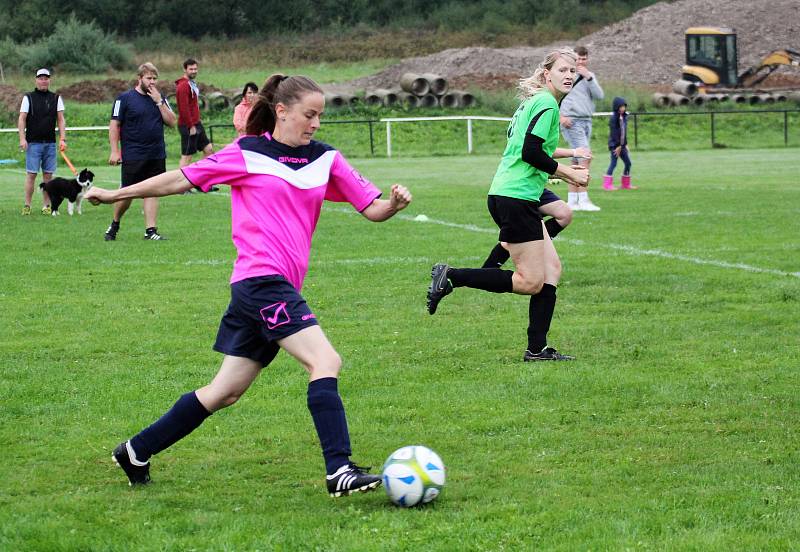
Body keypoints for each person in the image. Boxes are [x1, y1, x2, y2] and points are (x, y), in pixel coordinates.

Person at [85, 74, 412, 497]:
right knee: (325, 361)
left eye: (320, 117)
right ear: (281, 111)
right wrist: (114, 195)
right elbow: (179, 179)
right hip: (262, 282)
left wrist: (395, 205)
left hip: (267, 290)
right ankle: (339, 470)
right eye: (309, 115)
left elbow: (372, 208)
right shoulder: (246, 152)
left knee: (225, 391)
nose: (315, 124)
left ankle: (135, 450)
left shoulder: (327, 159)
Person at [426, 48, 589, 362]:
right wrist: (570, 173)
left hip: (514, 194)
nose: (569, 75)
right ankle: (452, 277)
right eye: (563, 70)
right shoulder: (546, 104)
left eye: (573, 71)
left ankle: (537, 349)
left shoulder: (535, 102)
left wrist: (567, 161)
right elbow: (530, 153)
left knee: (552, 269)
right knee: (529, 282)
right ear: (547, 74)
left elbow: (527, 149)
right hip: (515, 197)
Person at [104, 62, 177, 241]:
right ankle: (114, 224)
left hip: (156, 153)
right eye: (148, 78)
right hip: (133, 154)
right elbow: (114, 125)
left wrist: (159, 102)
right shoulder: (124, 99)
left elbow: (172, 121)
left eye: (154, 78)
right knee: (128, 192)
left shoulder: (161, 98)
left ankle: (150, 231)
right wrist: (115, 151)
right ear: (139, 79)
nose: (152, 82)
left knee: (152, 190)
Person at [559, 45, 604, 211]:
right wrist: (560, 116)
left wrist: (589, 79)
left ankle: (572, 200)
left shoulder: (589, 76)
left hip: (587, 120)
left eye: (584, 59)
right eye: (578, 59)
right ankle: (583, 199)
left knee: (576, 159)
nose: (581, 62)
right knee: (585, 156)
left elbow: (599, 96)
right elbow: (553, 95)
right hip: (572, 121)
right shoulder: (567, 76)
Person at [18, 68, 66, 215]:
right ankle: (27, 205)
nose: (43, 81)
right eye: (41, 78)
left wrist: (63, 139)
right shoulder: (28, 97)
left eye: (46, 78)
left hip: (50, 143)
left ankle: (46, 206)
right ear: (36, 80)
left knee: (48, 177)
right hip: (33, 143)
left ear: (49, 80)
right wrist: (22, 138)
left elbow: (61, 119)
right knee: (31, 175)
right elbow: (22, 118)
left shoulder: (56, 98)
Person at [176, 58, 213, 168]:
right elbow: (183, 108)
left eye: (195, 69)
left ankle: (201, 177)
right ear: (185, 70)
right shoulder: (183, 86)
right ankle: (178, 183)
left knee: (209, 149)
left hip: (196, 123)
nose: (194, 71)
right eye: (191, 69)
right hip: (188, 125)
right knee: (187, 156)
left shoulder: (191, 84)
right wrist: (191, 126)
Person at [603, 96, 636, 190]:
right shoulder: (614, 118)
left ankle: (625, 184)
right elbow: (614, 133)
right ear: (616, 107)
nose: (623, 108)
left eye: (624, 106)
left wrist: (625, 144)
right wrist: (617, 146)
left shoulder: (624, 117)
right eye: (621, 106)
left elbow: (623, 133)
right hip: (615, 146)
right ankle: (607, 185)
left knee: (628, 163)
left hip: (621, 146)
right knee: (613, 163)